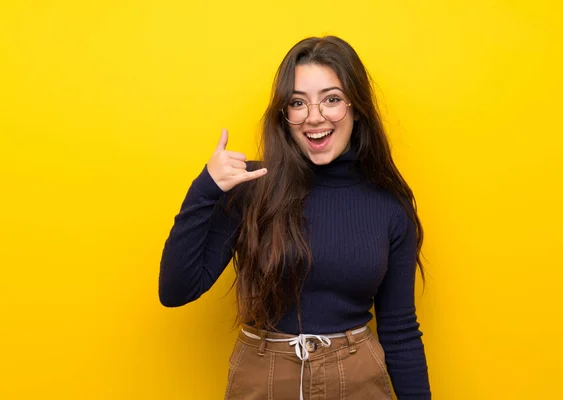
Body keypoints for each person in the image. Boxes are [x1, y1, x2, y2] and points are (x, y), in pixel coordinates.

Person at [159, 36, 431, 399]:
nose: (314, 116)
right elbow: (176, 290)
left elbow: (400, 332)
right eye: (298, 102)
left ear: (357, 107)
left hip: (358, 379)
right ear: (284, 115)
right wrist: (206, 187)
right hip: (263, 378)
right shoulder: (252, 189)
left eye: (331, 99)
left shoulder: (389, 206)